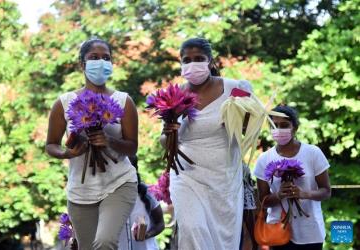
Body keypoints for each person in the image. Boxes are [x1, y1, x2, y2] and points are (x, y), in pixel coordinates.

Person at [45, 38, 139, 250]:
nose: (101, 62)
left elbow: (133, 147)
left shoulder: (124, 101)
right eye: (94, 58)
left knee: (104, 243)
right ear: (82, 64)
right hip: (80, 191)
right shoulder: (64, 102)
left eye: (106, 58)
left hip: (119, 184)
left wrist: (110, 141)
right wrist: (66, 154)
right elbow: (51, 144)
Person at [160, 37, 252, 250]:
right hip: (186, 177)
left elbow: (247, 129)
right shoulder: (174, 96)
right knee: (193, 232)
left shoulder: (234, 89)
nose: (193, 64)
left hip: (224, 180)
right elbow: (165, 142)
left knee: (222, 241)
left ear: (210, 61)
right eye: (187, 60)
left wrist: (242, 112)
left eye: (199, 58)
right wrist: (168, 130)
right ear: (181, 63)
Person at [253, 105, 331, 250]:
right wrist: (279, 195)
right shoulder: (264, 159)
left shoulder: (313, 153)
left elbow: (326, 191)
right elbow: (263, 200)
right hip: (277, 230)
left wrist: (304, 193)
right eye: (274, 125)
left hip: (310, 232)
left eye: (284, 125)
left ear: (294, 128)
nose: (279, 129)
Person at [119, 156, 165, 250]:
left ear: (135, 169)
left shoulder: (148, 193)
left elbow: (160, 224)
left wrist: (147, 234)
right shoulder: (107, 198)